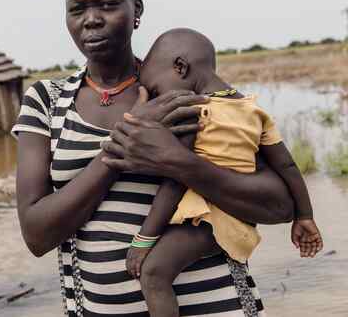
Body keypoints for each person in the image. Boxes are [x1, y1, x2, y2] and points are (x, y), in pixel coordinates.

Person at [13, 0, 294, 316]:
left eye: (108, 4)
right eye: (77, 9)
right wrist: (123, 146)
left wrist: (178, 161)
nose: (92, 20)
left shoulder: (184, 91)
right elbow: (37, 235)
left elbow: (279, 205)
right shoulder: (46, 102)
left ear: (137, 10)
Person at [123, 28, 323, 317]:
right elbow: (288, 166)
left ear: (180, 67)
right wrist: (305, 216)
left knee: (153, 274)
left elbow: (176, 181)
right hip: (239, 220)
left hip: (210, 220)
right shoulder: (252, 109)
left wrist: (143, 240)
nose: (155, 100)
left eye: (154, 90)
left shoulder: (193, 112)